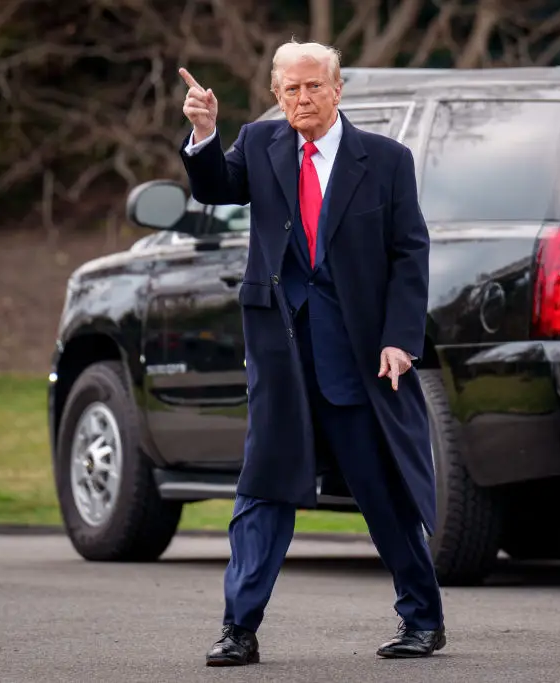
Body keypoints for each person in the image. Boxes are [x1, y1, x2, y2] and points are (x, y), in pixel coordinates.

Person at [177, 40, 445, 666]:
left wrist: (401, 339)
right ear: (276, 93)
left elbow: (411, 252)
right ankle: (238, 629)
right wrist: (205, 133)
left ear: (338, 88)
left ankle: (423, 620)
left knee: (383, 493)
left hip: (356, 360)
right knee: (263, 491)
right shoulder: (261, 144)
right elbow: (217, 188)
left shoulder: (384, 160)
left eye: (313, 87)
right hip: (282, 358)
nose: (302, 98)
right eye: (290, 89)